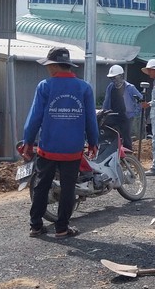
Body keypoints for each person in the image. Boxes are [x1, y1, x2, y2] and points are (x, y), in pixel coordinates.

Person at [22, 47, 98, 239]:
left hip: (48, 148)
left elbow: (34, 118)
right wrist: (93, 142)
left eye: (49, 66)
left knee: (41, 185)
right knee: (68, 189)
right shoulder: (84, 88)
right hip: (72, 149)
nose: (48, 69)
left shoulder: (45, 86)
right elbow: (91, 119)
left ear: (54, 66)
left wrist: (28, 142)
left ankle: (36, 226)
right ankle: (62, 228)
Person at [102, 65, 142, 150]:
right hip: (113, 115)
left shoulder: (130, 88)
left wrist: (135, 112)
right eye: (111, 78)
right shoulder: (110, 87)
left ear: (121, 76)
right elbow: (106, 101)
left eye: (115, 78)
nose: (113, 80)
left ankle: (128, 158)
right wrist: (104, 112)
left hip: (125, 116)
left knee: (126, 137)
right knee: (110, 134)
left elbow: (140, 100)